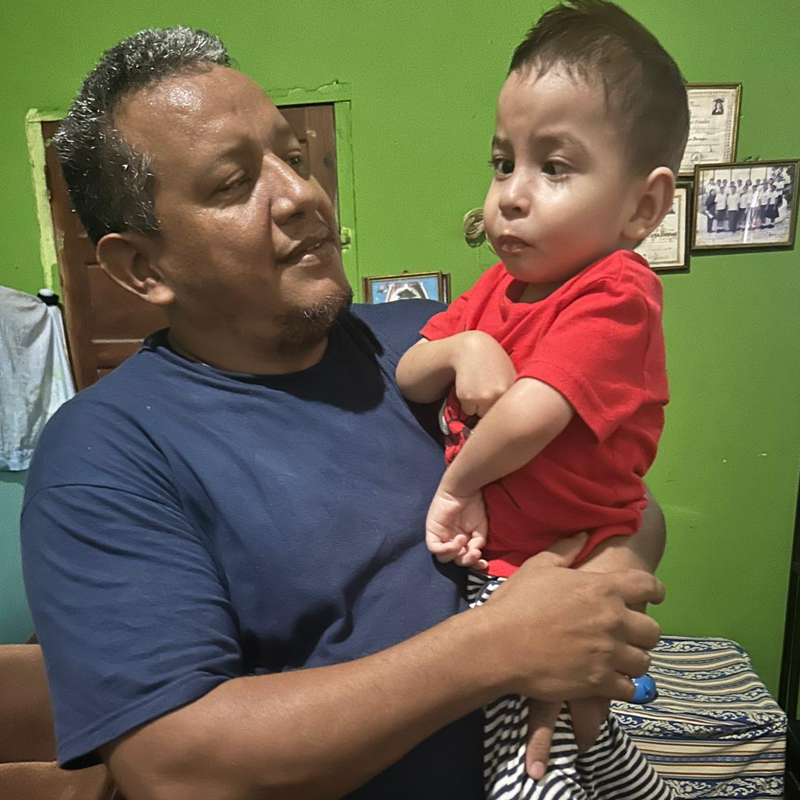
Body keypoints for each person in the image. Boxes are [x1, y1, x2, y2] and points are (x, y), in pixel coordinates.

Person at [20, 25, 666, 800]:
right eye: (234, 183)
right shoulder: (103, 455)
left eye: (292, 158)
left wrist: (603, 586)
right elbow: (175, 766)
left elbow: (625, 501)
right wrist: (501, 646)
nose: (301, 195)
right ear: (142, 268)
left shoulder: (436, 348)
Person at [396, 1, 687, 797]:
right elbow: (410, 371)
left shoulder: (618, 291)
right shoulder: (494, 289)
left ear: (642, 207)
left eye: (554, 167)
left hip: (561, 554)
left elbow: (535, 412)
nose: (512, 195)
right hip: (516, 558)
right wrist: (463, 347)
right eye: (503, 163)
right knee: (551, 714)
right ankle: (617, 769)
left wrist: (457, 487)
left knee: (523, 748)